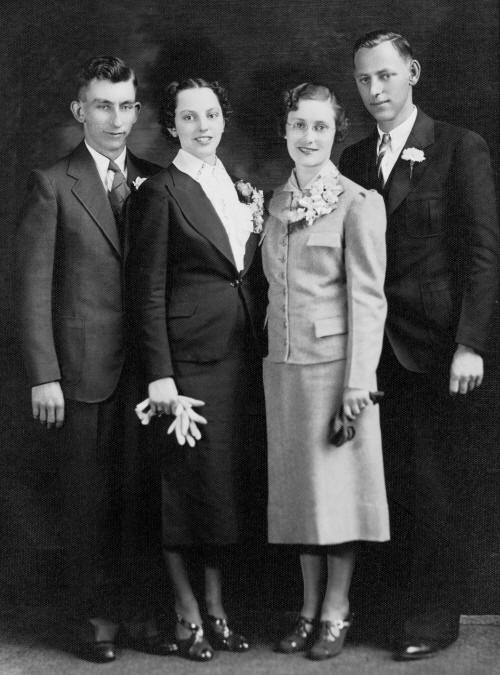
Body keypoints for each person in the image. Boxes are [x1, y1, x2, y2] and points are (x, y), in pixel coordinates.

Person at [339, 30, 499, 661]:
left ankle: (435, 616)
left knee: (432, 484)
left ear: (413, 73)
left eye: (385, 75)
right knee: (382, 481)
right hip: (369, 350)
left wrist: (470, 343)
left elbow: (483, 254)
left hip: (435, 349)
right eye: (364, 79)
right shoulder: (353, 158)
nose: (375, 89)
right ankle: (388, 611)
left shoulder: (459, 146)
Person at [15, 56, 172, 663]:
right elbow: (32, 288)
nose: (116, 119)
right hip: (81, 372)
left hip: (147, 371)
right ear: (80, 110)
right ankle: (92, 619)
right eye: (103, 106)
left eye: (126, 106)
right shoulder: (53, 182)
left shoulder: (158, 178)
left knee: (141, 499)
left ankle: (139, 614)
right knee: (88, 501)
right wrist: (44, 375)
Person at [126, 78, 267, 662]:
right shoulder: (160, 192)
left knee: (223, 493)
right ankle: (187, 615)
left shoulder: (239, 187)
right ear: (171, 126)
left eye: (211, 115)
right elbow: (146, 293)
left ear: (223, 119)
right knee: (185, 492)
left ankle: (217, 608)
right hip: (187, 364)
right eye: (189, 117)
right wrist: (160, 374)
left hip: (240, 358)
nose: (202, 126)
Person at [262, 82, 389, 661]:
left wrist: (359, 381)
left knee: (337, 496)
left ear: (337, 133)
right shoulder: (273, 203)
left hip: (336, 371)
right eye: (299, 126)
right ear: (285, 131)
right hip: (284, 369)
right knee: (299, 499)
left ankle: (336, 610)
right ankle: (308, 609)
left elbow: (369, 299)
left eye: (320, 126)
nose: (308, 137)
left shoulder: (358, 203)